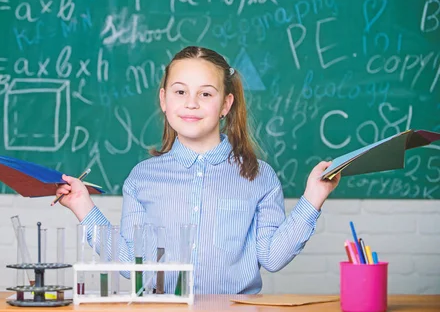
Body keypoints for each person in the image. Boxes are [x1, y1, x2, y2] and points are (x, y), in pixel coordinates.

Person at [54, 46, 341, 294]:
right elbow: (131, 263)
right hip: (164, 308)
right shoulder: (142, 178)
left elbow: (273, 257)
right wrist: (83, 206)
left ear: (226, 104)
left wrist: (312, 198)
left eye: (206, 94)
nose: (191, 102)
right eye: (180, 92)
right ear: (164, 99)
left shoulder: (259, 176)